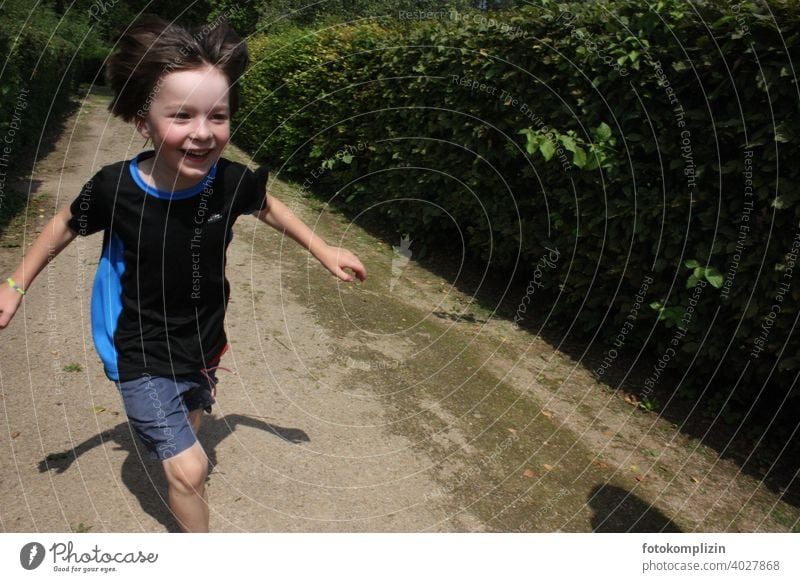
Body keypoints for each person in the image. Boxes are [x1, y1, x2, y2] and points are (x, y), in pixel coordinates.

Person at [0, 14, 366, 533]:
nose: (202, 133)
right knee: (192, 467)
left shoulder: (228, 182)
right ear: (144, 123)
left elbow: (268, 206)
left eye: (217, 116)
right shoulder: (116, 190)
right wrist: (14, 285)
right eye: (182, 116)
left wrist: (323, 248)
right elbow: (62, 225)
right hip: (141, 348)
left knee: (194, 420)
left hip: (204, 343)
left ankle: (178, 450)